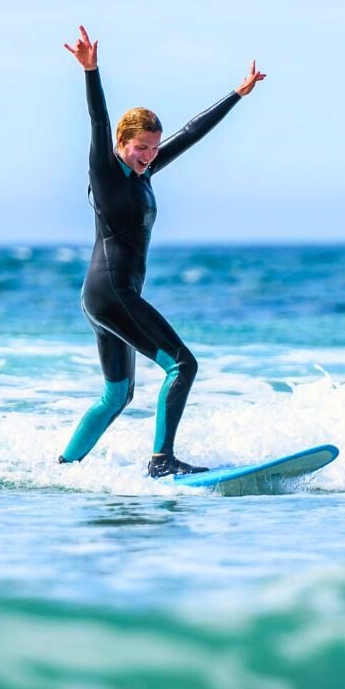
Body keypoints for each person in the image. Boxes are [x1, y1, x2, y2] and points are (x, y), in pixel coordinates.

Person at [58, 25, 265, 478]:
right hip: (113, 293)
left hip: (100, 295)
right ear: (121, 143)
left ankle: (63, 467)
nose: (149, 155)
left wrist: (238, 94)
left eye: (154, 148)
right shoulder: (108, 169)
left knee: (117, 395)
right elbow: (98, 120)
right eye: (141, 148)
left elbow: (191, 134)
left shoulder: (142, 175)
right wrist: (91, 72)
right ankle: (161, 460)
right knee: (183, 366)